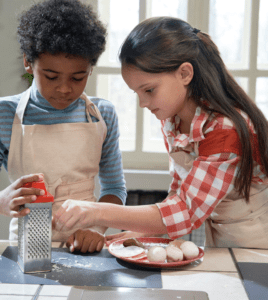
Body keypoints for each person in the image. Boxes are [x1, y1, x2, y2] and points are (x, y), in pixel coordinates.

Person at [52, 16, 268, 249]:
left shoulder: (225, 131)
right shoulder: (173, 122)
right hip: (222, 241)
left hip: (258, 245)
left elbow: (185, 210)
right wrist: (135, 233)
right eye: (137, 93)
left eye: (149, 90)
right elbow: (179, 197)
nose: (143, 103)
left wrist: (96, 212)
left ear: (185, 74)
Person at [0, 0, 127, 253]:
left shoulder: (101, 114)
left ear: (90, 69)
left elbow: (115, 188)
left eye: (78, 77)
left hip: (85, 245)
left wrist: (95, 229)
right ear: (28, 63)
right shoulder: (2, 113)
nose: (65, 89)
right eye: (51, 76)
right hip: (25, 248)